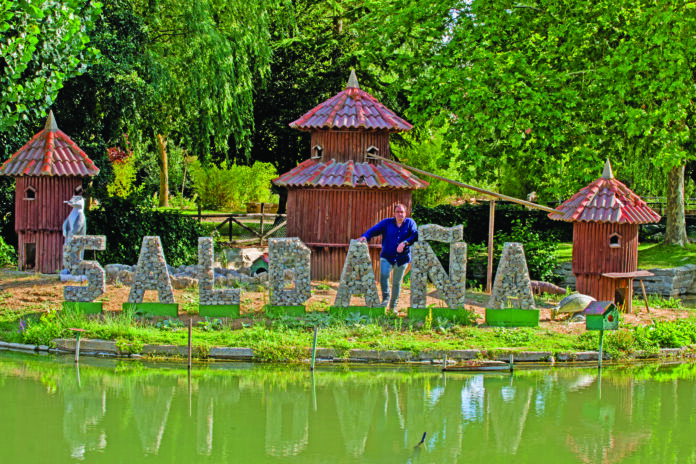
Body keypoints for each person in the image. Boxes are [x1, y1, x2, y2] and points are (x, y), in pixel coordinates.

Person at [358, 203, 417, 314]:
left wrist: (404, 243)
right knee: (384, 277)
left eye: (402, 212)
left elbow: (415, 235)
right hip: (387, 256)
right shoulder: (387, 223)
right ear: (394, 213)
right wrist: (365, 236)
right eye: (398, 212)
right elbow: (374, 230)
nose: (400, 214)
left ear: (406, 213)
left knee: (396, 282)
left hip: (402, 258)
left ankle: (393, 307)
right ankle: (385, 299)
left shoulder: (410, 223)